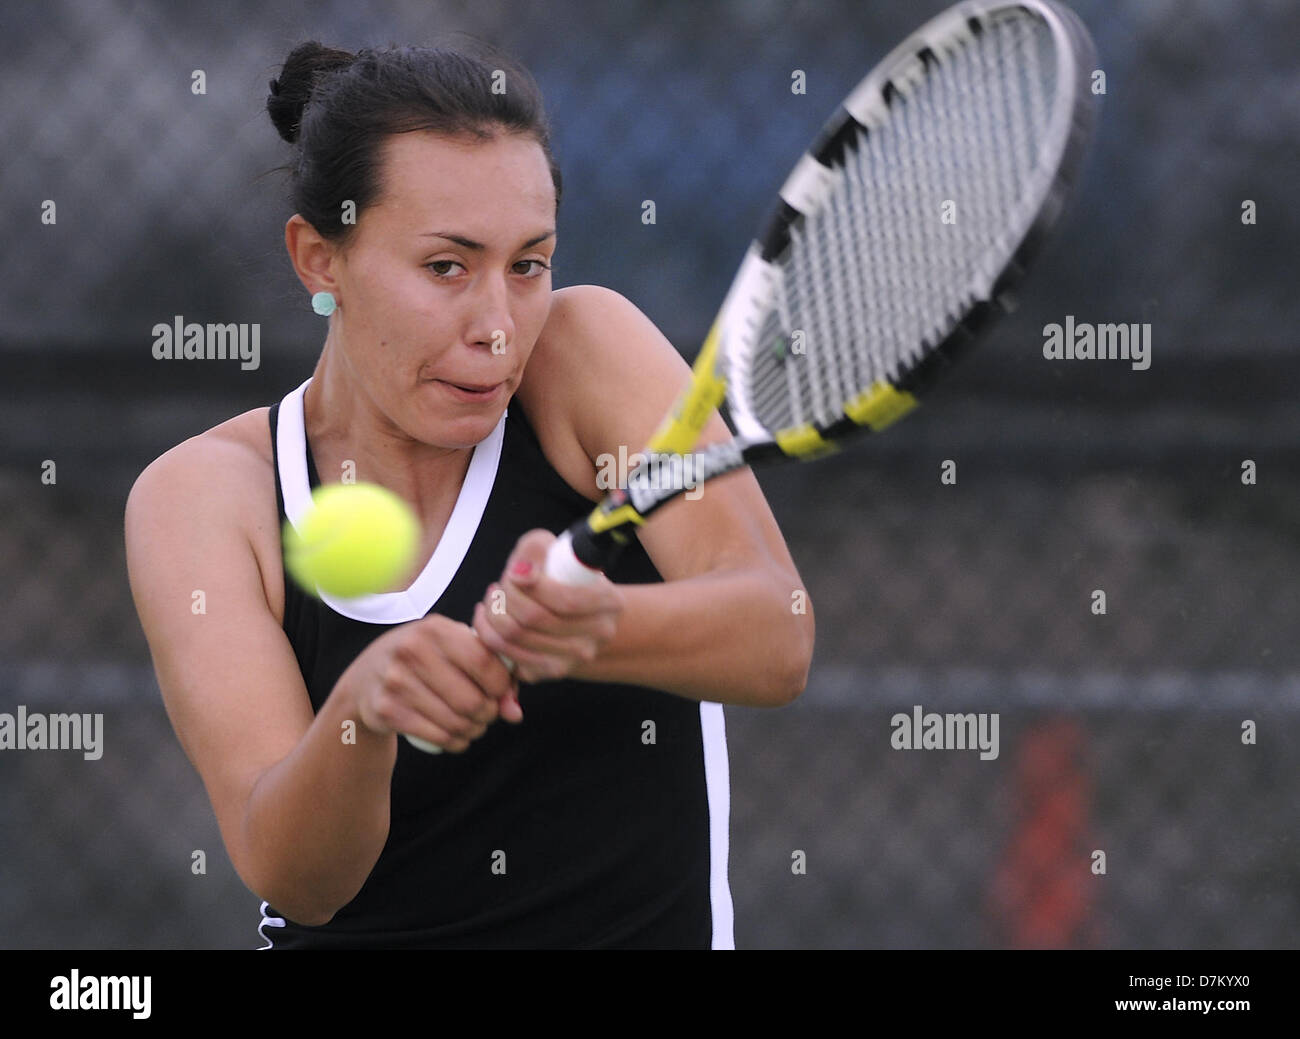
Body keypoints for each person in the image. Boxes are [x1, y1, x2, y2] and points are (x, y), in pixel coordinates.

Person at [125, 39, 814, 949]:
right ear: (319, 259)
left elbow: (778, 634)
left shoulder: (585, 355)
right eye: (446, 267)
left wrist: (590, 627)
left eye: (528, 264)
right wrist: (362, 716)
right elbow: (295, 875)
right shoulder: (204, 499)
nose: (496, 329)